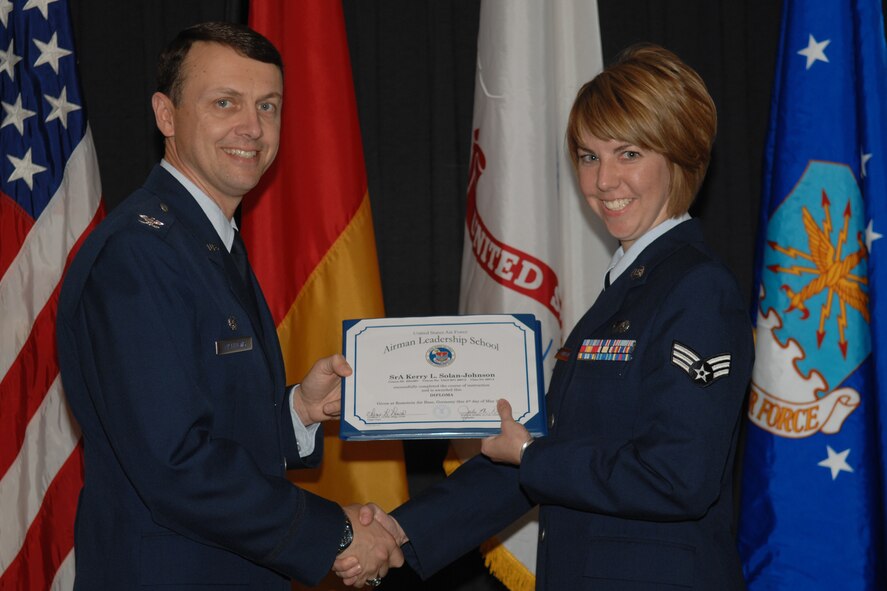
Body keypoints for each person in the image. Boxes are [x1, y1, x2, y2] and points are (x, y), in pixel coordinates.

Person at [337, 44, 754, 590]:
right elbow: (530, 457)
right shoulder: (629, 289)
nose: (603, 181)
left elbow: (678, 476)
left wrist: (532, 455)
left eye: (627, 154)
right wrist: (399, 533)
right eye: (588, 156)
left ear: (680, 154)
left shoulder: (696, 288)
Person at [56, 21, 401, 590]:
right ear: (166, 116)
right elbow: (175, 465)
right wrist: (336, 533)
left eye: (269, 106)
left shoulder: (205, 241)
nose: (252, 127)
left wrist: (297, 411)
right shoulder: (138, 255)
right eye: (225, 102)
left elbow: (205, 417)